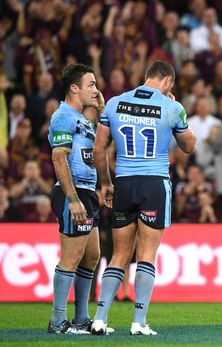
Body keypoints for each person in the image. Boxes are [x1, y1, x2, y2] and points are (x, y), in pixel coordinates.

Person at [91, 61, 196, 336]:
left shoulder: (115, 103)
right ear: (168, 82)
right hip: (154, 183)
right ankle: (138, 322)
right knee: (146, 254)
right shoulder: (172, 107)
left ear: (147, 77)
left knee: (119, 255)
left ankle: (100, 318)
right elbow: (189, 146)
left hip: (124, 183)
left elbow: (98, 149)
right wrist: (179, 110)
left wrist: (105, 183)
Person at [47, 63, 110, 334]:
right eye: (91, 85)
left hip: (87, 192)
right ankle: (58, 321)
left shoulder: (83, 119)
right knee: (70, 258)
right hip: (73, 192)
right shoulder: (63, 115)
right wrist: (72, 199)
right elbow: (58, 157)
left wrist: (103, 111)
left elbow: (100, 150)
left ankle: (82, 318)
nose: (95, 90)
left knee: (92, 256)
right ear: (74, 88)